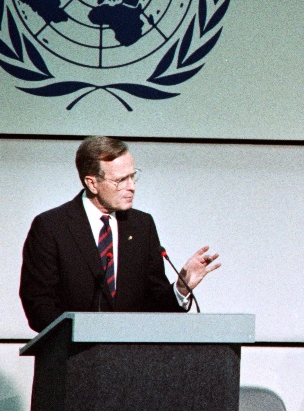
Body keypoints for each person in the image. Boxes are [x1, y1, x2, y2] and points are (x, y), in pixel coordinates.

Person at [19, 136, 220, 333]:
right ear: (92, 183)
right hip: (73, 358)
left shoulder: (142, 225)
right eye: (121, 180)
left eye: (133, 176)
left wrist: (181, 288)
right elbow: (39, 306)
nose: (131, 186)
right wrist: (83, 336)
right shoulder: (52, 226)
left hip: (131, 358)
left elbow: (155, 304)